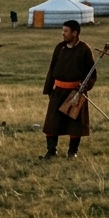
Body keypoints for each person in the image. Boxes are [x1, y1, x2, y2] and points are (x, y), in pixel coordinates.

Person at [41, 19, 95, 158]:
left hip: (75, 92)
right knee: (52, 123)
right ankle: (51, 151)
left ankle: (72, 152)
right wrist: (49, 89)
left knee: (75, 124)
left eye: (66, 31)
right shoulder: (60, 48)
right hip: (58, 91)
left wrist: (85, 85)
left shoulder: (84, 49)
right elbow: (52, 68)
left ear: (74, 33)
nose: (63, 33)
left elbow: (91, 73)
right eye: (63, 30)